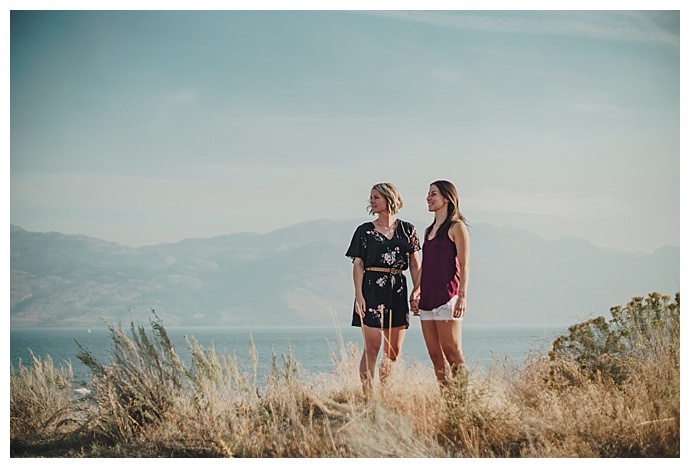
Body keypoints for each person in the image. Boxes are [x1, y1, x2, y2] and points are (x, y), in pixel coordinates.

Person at [345, 182, 421, 398]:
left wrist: (417, 290)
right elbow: (358, 264)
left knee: (393, 352)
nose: (372, 201)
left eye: (376, 197)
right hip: (370, 291)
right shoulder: (364, 231)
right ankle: (369, 397)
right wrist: (358, 296)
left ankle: (385, 396)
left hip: (398, 290)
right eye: (371, 197)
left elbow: (415, 265)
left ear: (389, 198)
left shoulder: (408, 230)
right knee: (372, 347)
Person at [411, 180, 470, 384]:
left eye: (433, 194)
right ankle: (447, 404)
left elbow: (465, 264)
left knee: (452, 354)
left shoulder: (457, 227)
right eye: (428, 194)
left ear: (447, 198)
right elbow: (426, 265)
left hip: (447, 299)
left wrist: (462, 297)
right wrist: (416, 291)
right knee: (436, 358)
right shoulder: (428, 231)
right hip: (427, 301)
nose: (428, 198)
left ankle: (463, 402)